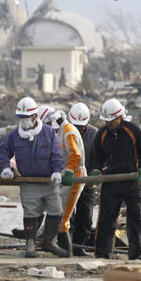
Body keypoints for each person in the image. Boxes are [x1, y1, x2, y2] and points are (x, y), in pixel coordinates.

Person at [0, 97, 67, 258]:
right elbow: (3, 152)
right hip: (28, 181)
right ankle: (30, 244)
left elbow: (56, 154)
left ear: (35, 117)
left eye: (25, 117)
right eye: (20, 118)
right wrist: (6, 167)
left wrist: (57, 170)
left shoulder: (49, 133)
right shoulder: (14, 135)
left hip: (49, 181)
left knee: (56, 211)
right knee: (30, 213)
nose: (22, 121)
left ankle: (50, 242)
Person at [89, 98, 141, 260]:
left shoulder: (133, 130)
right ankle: (102, 253)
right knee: (106, 219)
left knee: (135, 219)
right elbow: (98, 156)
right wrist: (96, 170)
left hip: (133, 181)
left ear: (119, 118)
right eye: (106, 121)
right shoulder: (102, 134)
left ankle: (137, 254)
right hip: (111, 181)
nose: (109, 124)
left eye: (111, 121)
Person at [45, 109, 85, 257]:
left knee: (65, 216)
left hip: (75, 175)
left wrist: (69, 171)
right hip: (65, 174)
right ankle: (58, 247)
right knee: (57, 211)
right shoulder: (60, 131)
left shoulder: (68, 131)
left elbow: (75, 155)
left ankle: (66, 252)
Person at [67, 102, 98, 256]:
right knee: (67, 215)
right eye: (76, 126)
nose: (78, 129)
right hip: (68, 180)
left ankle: (79, 246)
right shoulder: (64, 132)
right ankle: (66, 244)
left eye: (81, 127)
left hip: (86, 182)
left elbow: (99, 157)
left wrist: (94, 174)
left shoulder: (94, 134)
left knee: (85, 216)